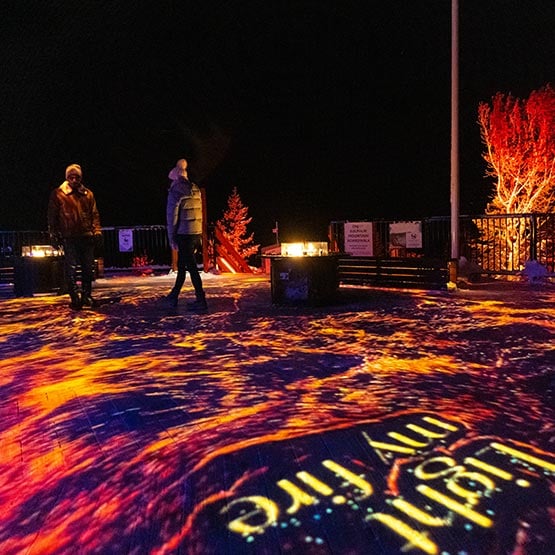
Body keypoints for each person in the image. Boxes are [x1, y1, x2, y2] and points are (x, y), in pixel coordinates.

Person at [48, 163, 102, 310]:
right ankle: (74, 297)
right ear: (67, 178)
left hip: (86, 235)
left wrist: (97, 231)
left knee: (87, 268)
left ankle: (86, 295)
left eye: (77, 176)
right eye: (71, 176)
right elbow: (52, 216)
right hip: (69, 236)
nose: (74, 179)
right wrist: (53, 234)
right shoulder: (58, 194)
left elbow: (94, 214)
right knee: (70, 268)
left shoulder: (87, 194)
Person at [165, 158, 207, 310]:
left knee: (191, 268)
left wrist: (172, 237)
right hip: (195, 233)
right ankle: (174, 295)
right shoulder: (194, 188)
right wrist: (199, 234)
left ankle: (201, 299)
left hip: (183, 235)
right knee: (182, 267)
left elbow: (172, 218)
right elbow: (199, 213)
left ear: (176, 177)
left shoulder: (175, 191)